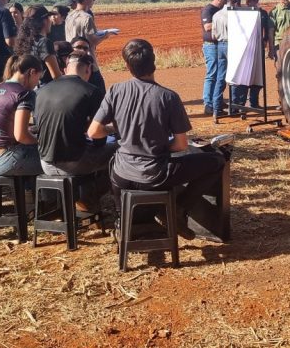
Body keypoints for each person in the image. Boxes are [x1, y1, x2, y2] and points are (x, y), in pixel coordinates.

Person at [90, 39, 224, 239]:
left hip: (121, 175)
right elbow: (180, 145)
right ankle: (178, 210)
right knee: (216, 162)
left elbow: (94, 132)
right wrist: (159, 145)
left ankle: (126, 222)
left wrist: (121, 134)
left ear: (127, 66)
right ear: (154, 62)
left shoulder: (115, 90)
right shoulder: (168, 97)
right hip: (154, 175)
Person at [33, 51, 115, 210]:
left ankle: (81, 200)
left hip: (44, 161)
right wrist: (111, 129)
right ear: (88, 69)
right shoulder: (91, 91)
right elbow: (99, 140)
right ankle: (91, 200)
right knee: (119, 151)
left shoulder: (41, 90)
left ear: (65, 69)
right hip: (75, 162)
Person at [0, 54, 43, 177]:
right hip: (5, 160)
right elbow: (21, 136)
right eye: (38, 78)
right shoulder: (24, 94)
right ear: (32, 72)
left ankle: (27, 191)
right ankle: (39, 195)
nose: (37, 83)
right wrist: (41, 142)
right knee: (53, 158)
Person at [231, 0, 274, 113]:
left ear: (256, 0)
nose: (247, 3)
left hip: (258, 48)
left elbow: (267, 29)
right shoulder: (242, 12)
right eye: (246, 0)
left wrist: (265, 41)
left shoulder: (263, 13)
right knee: (243, 75)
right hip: (244, 49)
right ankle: (240, 103)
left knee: (258, 76)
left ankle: (254, 102)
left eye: (250, 0)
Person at [65, 0, 112, 92]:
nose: (93, 0)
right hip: (88, 62)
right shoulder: (87, 18)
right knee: (98, 92)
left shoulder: (69, 16)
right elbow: (93, 41)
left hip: (72, 59)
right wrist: (106, 35)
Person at [14, 5, 62, 85]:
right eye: (49, 18)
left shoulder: (23, 41)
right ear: (44, 21)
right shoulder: (44, 42)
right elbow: (56, 76)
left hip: (28, 85)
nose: (50, 21)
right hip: (45, 87)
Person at [200, 0, 230, 115]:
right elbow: (207, 27)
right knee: (212, 74)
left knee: (221, 74)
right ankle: (208, 103)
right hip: (211, 45)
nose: (226, 3)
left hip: (220, 44)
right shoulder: (208, 10)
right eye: (225, 0)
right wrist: (222, 22)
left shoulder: (221, 10)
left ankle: (217, 100)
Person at [209, 0, 239, 121]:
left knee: (220, 77)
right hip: (232, 45)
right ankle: (233, 108)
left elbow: (213, 36)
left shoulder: (216, 15)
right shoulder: (235, 15)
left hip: (220, 45)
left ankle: (216, 109)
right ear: (236, 3)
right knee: (235, 76)